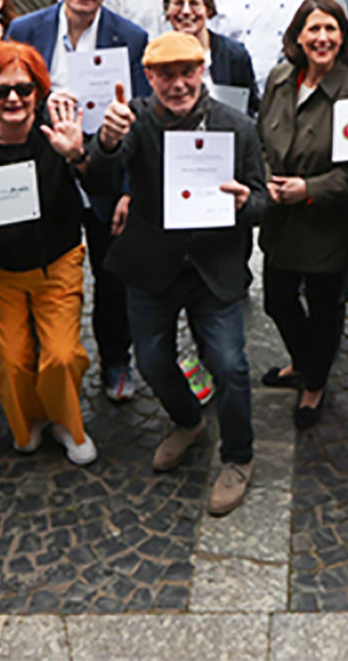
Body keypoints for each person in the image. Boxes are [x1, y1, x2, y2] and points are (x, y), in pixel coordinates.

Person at [102, 30, 266, 514]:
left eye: (188, 73)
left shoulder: (238, 127)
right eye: (166, 75)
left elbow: (262, 199)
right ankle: (188, 420)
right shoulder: (132, 119)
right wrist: (105, 144)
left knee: (230, 366)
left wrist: (245, 204)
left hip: (213, 266)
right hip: (152, 264)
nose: (178, 84)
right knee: (151, 361)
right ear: (149, 77)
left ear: (203, 72)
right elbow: (99, 173)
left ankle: (238, 457)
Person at [0, 41, 126, 466]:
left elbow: (100, 185)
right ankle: (27, 424)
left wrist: (77, 155)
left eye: (24, 89)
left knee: (62, 355)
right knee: (10, 360)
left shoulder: (56, 128)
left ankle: (66, 422)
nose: (13, 98)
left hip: (56, 262)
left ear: (39, 91)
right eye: (0, 90)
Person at [5, 0, 150, 403]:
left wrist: (130, 190)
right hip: (43, 172)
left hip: (105, 169)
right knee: (40, 267)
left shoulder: (129, 38)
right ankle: (36, 359)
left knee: (114, 273)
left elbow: (140, 119)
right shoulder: (25, 31)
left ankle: (115, 360)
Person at [257, 0, 348, 430]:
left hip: (327, 225)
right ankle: (302, 360)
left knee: (326, 309)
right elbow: (261, 138)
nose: (322, 38)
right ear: (297, 37)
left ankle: (314, 381)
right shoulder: (278, 80)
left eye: (330, 29)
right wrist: (269, 178)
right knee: (278, 300)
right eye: (313, 29)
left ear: (344, 37)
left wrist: (309, 190)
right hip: (281, 219)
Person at [159, 0, 258, 111]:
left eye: (194, 4)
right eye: (178, 3)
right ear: (168, 10)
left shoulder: (234, 55)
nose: (186, 11)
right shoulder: (157, 55)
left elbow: (250, 107)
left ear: (209, 10)